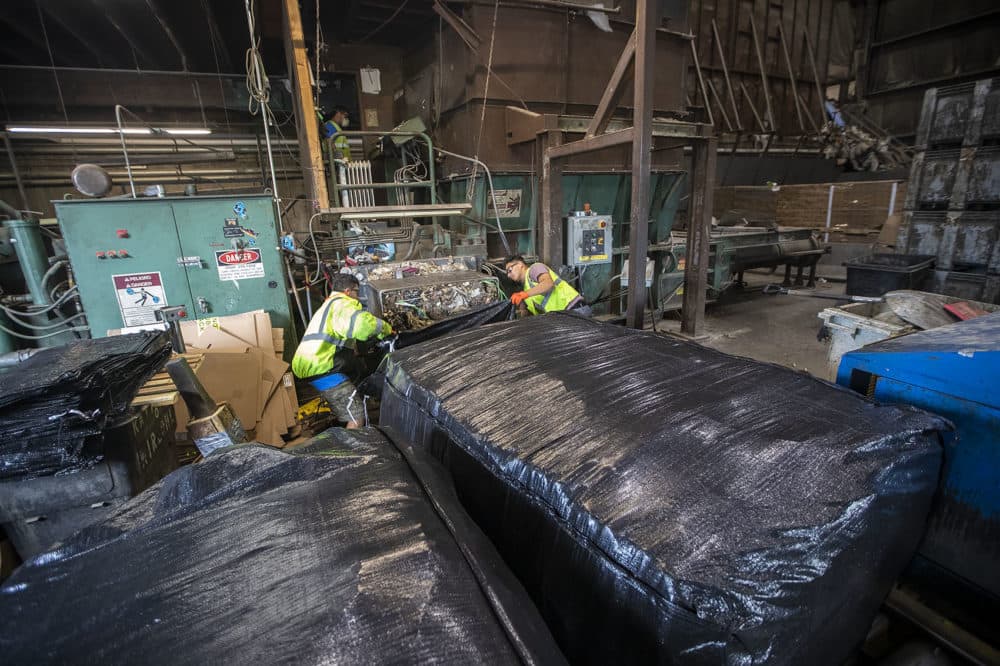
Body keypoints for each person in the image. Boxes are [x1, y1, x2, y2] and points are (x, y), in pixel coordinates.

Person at [292, 274, 392, 429]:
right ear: (347, 291)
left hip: (314, 364)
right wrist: (386, 328)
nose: (357, 297)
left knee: (358, 371)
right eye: (356, 292)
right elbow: (362, 327)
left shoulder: (330, 304)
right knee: (357, 416)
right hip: (323, 367)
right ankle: (353, 448)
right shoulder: (342, 304)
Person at [504, 255, 592, 317]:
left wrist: (524, 294)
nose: (508, 275)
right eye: (507, 273)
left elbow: (548, 284)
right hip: (563, 316)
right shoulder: (527, 288)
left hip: (574, 309)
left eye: (510, 270)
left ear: (520, 265)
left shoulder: (535, 268)